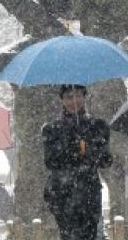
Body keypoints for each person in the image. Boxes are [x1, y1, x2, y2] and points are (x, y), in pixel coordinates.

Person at [42, 85, 112, 240]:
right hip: (63, 194)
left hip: (89, 193)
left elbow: (106, 160)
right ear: (62, 100)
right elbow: (51, 161)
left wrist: (88, 147)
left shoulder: (98, 125)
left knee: (90, 235)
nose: (74, 101)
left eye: (78, 95)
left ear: (85, 97)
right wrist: (73, 147)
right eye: (68, 97)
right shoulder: (52, 129)